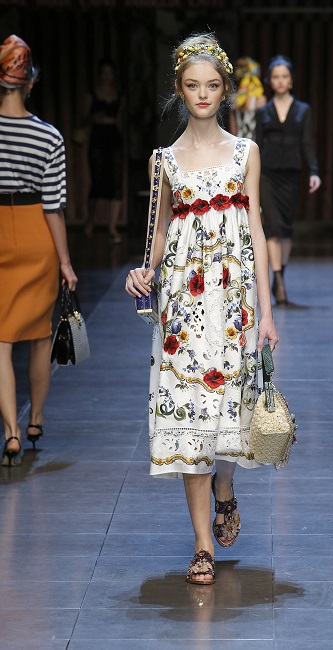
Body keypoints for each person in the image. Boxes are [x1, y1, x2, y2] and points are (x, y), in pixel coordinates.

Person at [125, 33, 279, 585]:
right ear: (179, 89)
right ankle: (201, 543)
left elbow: (256, 229)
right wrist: (143, 271)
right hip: (183, 306)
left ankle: (226, 486)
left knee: (229, 409)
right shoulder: (163, 161)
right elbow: (159, 231)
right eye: (193, 85)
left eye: (212, 85)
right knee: (191, 410)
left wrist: (267, 312)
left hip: (234, 302)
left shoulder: (246, 153)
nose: (203, 94)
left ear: (226, 89)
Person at [0, 35, 77, 466]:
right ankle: (36, 420)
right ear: (30, 81)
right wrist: (65, 262)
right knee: (39, 335)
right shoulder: (48, 136)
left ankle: (10, 431)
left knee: (0, 339)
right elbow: (53, 205)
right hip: (36, 236)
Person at [255, 55, 321, 306]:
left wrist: (314, 171)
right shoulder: (263, 111)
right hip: (267, 174)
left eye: (285, 76)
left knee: (286, 227)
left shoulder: (303, 110)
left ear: (291, 80)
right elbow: (256, 145)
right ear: (270, 81)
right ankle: (279, 281)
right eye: (276, 77)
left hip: (292, 173)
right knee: (273, 227)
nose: (281, 81)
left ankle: (280, 274)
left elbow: (308, 143)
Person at [81, 59, 125, 244]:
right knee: (97, 181)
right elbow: (83, 119)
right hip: (97, 139)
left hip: (114, 138)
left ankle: (112, 227)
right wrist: (94, 117)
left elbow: (121, 120)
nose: (107, 77)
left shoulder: (119, 95)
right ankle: (90, 221)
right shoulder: (92, 94)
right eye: (104, 73)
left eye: (110, 73)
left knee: (116, 182)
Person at [229, 56, 266, 139]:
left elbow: (233, 130)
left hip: (238, 142)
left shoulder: (234, 99)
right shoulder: (260, 99)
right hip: (255, 142)